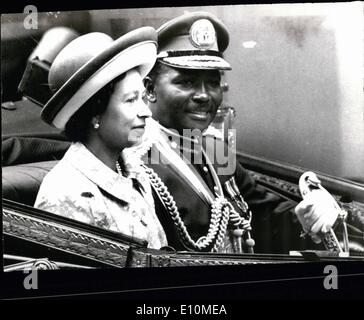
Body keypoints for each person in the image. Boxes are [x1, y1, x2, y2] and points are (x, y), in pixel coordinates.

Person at [134, 11, 351, 254]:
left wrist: (307, 214)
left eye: (213, 83)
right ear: (150, 89)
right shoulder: (135, 159)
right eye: (186, 82)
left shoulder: (214, 150)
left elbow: (261, 212)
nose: (204, 95)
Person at [34, 28, 168, 250]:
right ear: (94, 113)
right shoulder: (64, 195)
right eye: (131, 100)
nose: (146, 112)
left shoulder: (135, 171)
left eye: (142, 98)